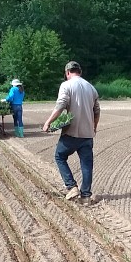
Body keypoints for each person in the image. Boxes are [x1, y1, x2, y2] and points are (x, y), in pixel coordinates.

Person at [42, 61, 100, 205]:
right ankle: (86, 196)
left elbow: (61, 105)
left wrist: (48, 122)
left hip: (71, 133)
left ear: (67, 72)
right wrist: (94, 127)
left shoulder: (66, 85)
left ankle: (72, 186)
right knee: (86, 164)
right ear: (79, 71)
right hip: (87, 134)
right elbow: (97, 110)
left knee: (60, 156)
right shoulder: (91, 88)